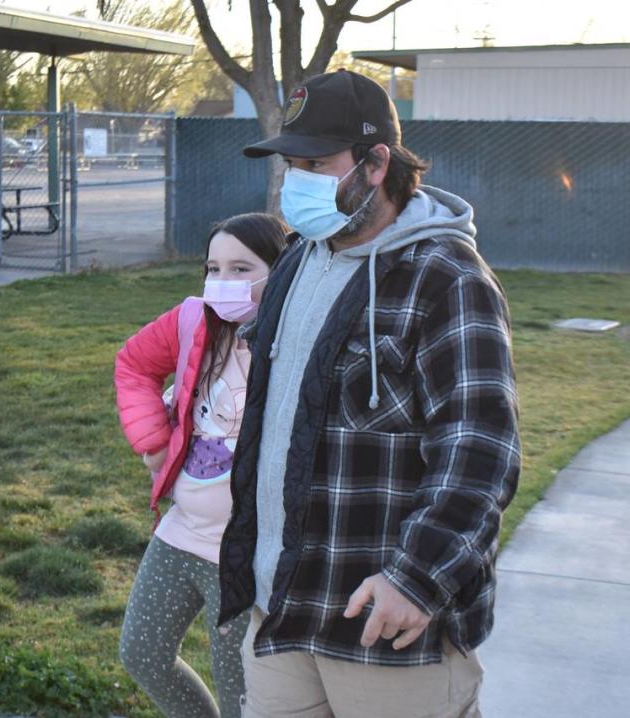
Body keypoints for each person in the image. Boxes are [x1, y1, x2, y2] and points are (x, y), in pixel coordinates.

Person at [217, 70, 521, 718]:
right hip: (283, 617)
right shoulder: (301, 258)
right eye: (292, 163)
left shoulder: (446, 278)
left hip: (390, 634)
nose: (296, 180)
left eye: (317, 163)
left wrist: (417, 577)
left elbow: (480, 450)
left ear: (378, 162)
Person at [115, 213, 289, 718]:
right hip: (180, 532)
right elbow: (134, 362)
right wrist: (153, 438)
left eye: (241, 268)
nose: (222, 281)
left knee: (239, 693)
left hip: (239, 555)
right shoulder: (194, 319)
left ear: (277, 273)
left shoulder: (292, 342)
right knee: (142, 656)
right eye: (213, 267)